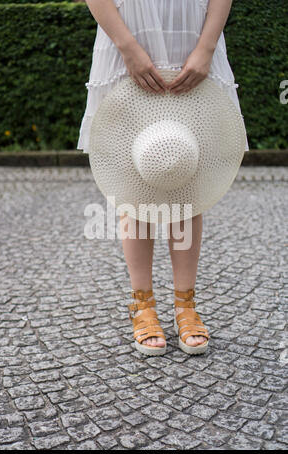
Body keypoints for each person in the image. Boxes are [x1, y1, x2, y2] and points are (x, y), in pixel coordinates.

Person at [78, 0, 247, 356]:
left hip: (192, 32)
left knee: (186, 175)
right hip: (128, 30)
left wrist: (206, 47)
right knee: (135, 179)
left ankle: (186, 305)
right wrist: (127, 46)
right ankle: (143, 305)